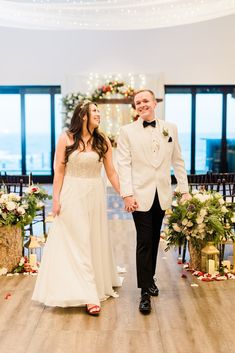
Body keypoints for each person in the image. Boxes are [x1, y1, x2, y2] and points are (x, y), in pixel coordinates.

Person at [32, 100, 121, 315]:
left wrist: (125, 194)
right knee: (77, 240)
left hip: (94, 195)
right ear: (83, 116)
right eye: (94, 111)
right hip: (71, 194)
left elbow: (111, 172)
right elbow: (59, 171)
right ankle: (89, 295)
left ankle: (93, 283)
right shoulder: (66, 138)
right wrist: (55, 198)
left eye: (98, 111)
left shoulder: (103, 140)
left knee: (90, 239)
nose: (98, 115)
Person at [117, 89, 189, 314]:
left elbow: (177, 160)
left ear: (155, 103)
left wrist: (184, 189)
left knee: (154, 239)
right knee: (144, 241)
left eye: (145, 100)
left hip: (162, 194)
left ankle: (150, 279)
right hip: (139, 195)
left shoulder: (171, 128)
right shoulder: (127, 131)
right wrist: (127, 194)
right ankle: (144, 292)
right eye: (137, 102)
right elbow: (123, 164)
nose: (141, 105)